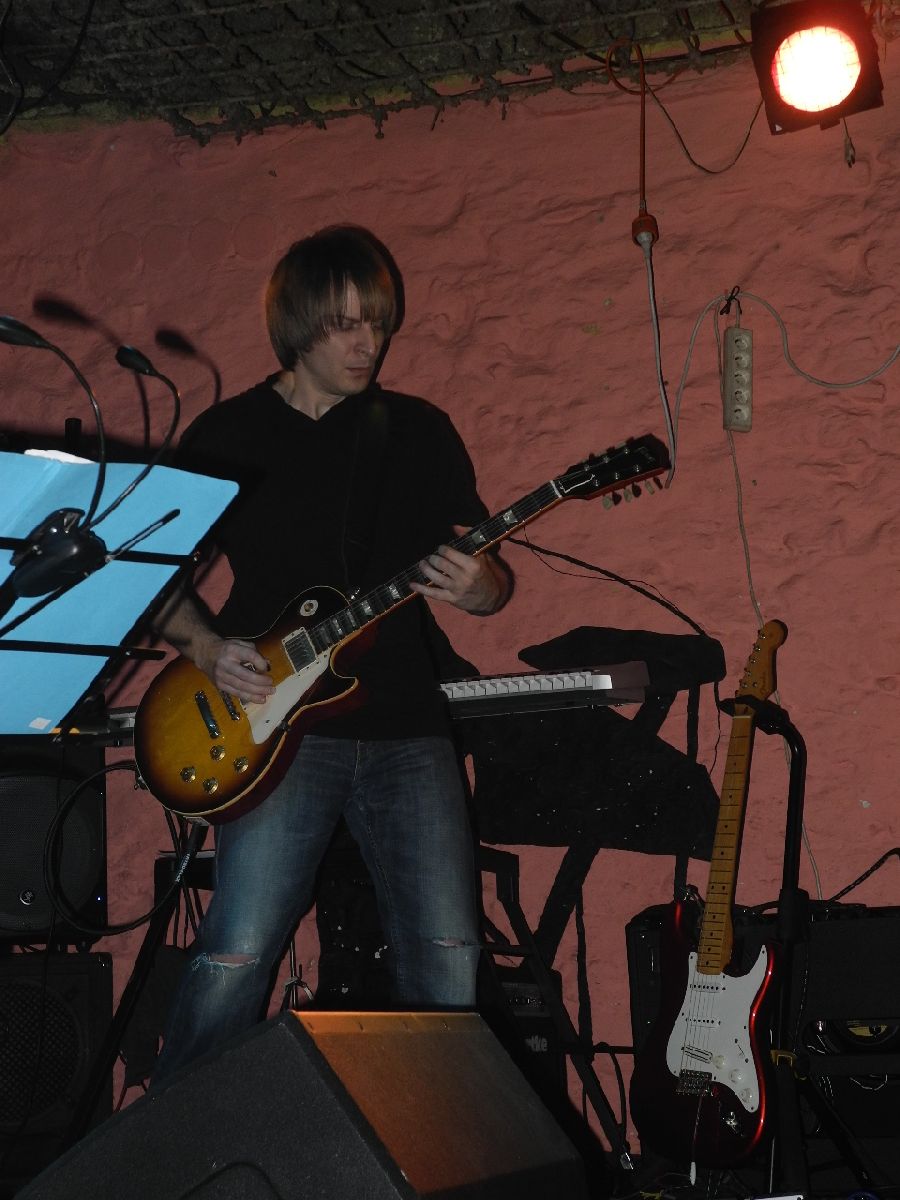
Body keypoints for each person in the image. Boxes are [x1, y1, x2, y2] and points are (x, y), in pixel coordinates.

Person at [151, 224, 512, 1082]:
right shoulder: (228, 434)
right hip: (275, 731)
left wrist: (479, 588)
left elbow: (491, 581)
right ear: (297, 325)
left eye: (378, 324)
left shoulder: (418, 431)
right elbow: (153, 578)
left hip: (406, 727)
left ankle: (432, 1145)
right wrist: (208, 647)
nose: (368, 344)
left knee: (450, 955)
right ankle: (174, 1140)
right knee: (238, 951)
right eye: (346, 325)